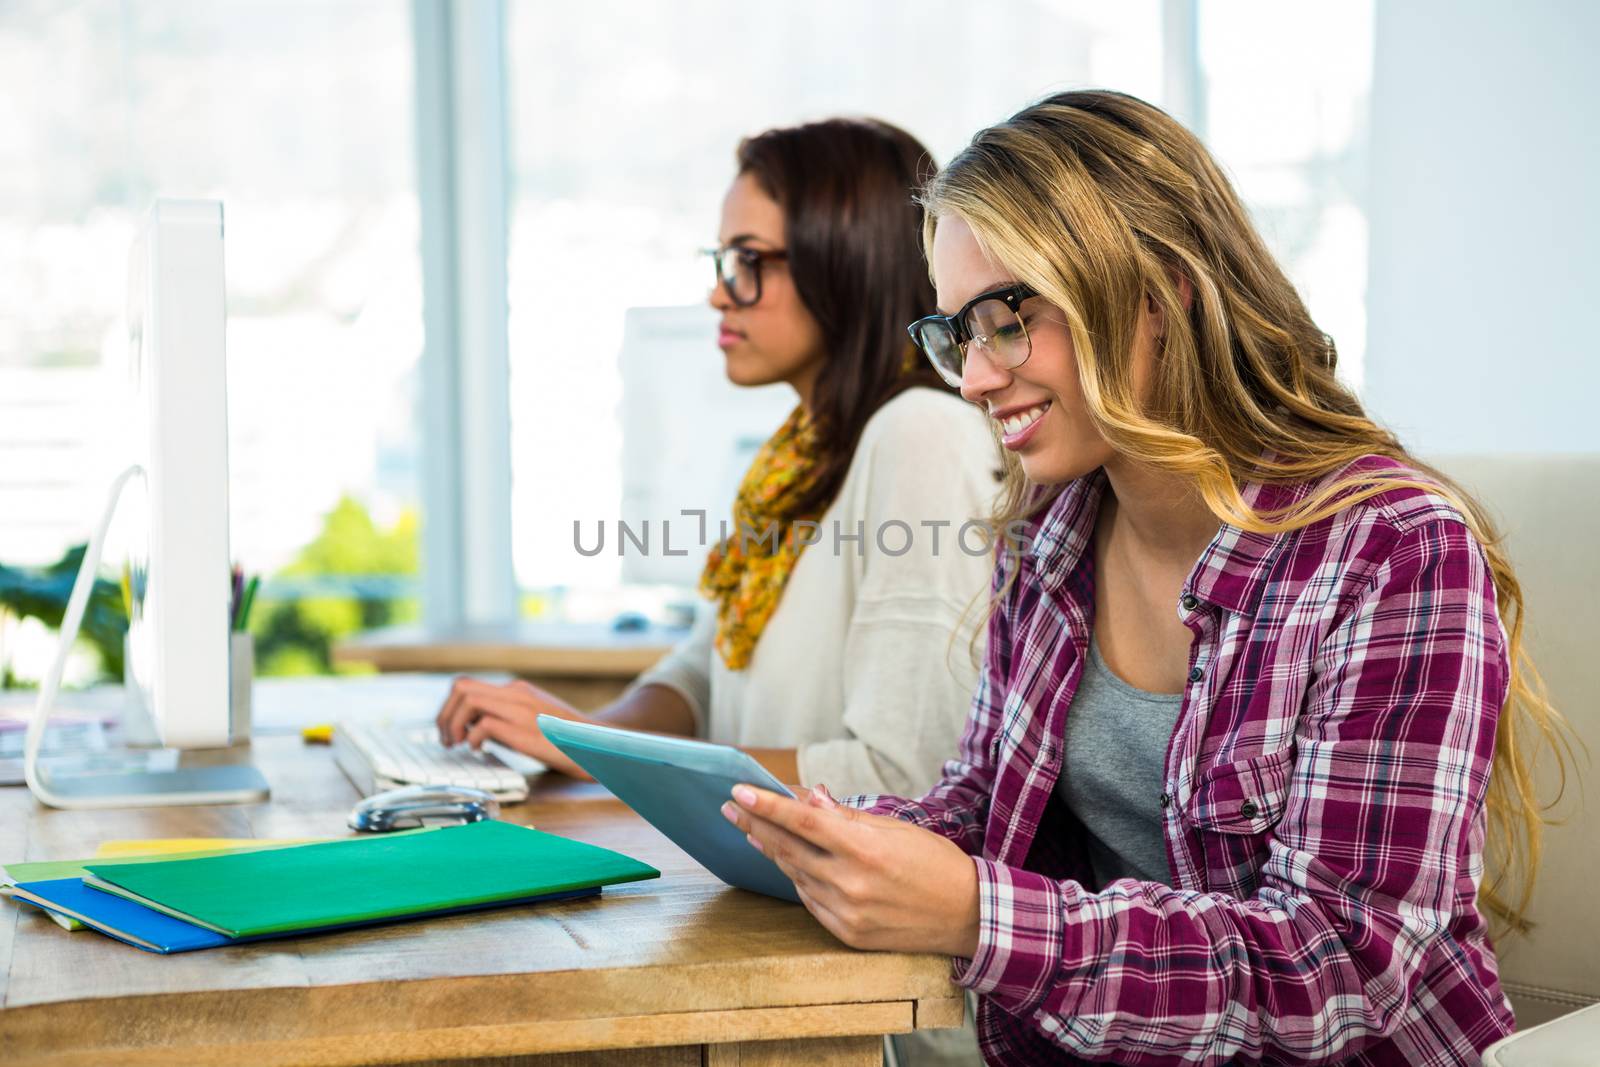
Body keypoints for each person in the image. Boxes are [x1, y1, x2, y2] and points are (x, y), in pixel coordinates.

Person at [722, 90, 1572, 1066]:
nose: (971, 378)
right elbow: (981, 807)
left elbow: (1346, 970)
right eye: (955, 333)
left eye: (1003, 319)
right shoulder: (1051, 533)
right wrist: (827, 835)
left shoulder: (1392, 547)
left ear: (1156, 296)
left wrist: (978, 913)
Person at [437, 118, 998, 801]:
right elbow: (701, 672)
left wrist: (611, 755)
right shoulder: (799, 456)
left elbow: (904, 777)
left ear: (844, 263)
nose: (718, 292)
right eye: (724, 260)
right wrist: (584, 736)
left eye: (750, 261)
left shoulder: (920, 436)